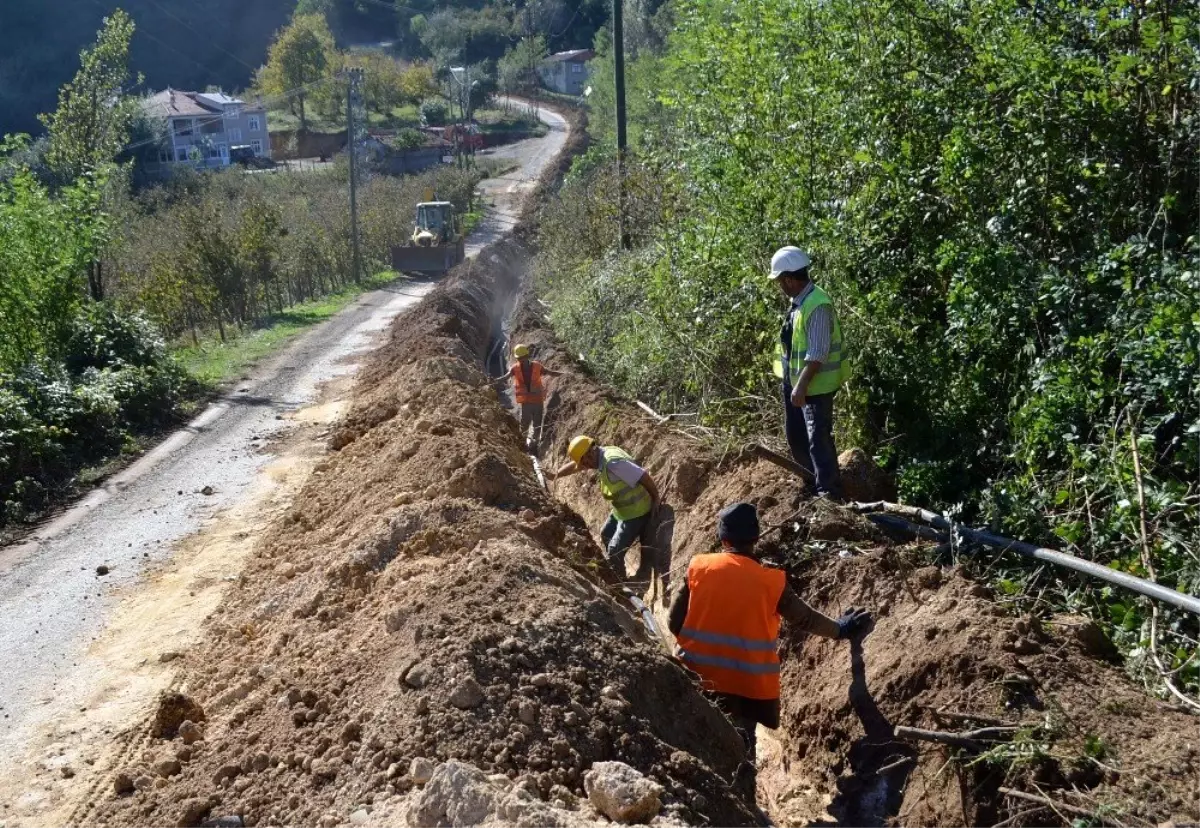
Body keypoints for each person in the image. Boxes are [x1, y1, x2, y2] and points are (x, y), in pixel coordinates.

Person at [668, 502, 871, 795]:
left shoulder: (699, 567)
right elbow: (806, 619)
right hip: (747, 687)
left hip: (698, 679)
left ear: (723, 539)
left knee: (695, 743)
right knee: (742, 750)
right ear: (756, 538)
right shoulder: (771, 582)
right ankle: (744, 807)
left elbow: (674, 623)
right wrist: (841, 629)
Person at [769, 246, 851, 500]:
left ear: (789, 279)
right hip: (795, 383)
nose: (780, 287)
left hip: (816, 386)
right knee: (796, 436)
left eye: (780, 282)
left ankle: (829, 492)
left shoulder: (817, 305)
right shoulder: (800, 303)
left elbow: (817, 353)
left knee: (818, 439)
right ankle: (811, 479)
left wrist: (802, 386)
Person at [548, 436, 661, 575]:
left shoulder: (613, 464)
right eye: (582, 463)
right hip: (622, 510)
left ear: (589, 454)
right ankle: (618, 568)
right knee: (605, 533)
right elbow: (576, 466)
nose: (584, 467)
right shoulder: (600, 454)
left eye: (584, 462)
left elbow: (643, 475)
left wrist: (656, 498)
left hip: (637, 511)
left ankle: (620, 582)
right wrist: (555, 475)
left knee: (614, 550)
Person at [505, 344, 562, 451]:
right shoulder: (515, 368)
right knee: (524, 423)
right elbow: (506, 376)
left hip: (537, 401)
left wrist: (564, 374)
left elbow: (550, 372)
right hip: (525, 402)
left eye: (522, 357)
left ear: (527, 356)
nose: (520, 360)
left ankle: (534, 445)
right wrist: (494, 380)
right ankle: (522, 444)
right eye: (519, 358)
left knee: (537, 423)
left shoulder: (537, 366)